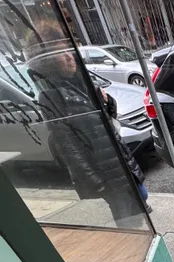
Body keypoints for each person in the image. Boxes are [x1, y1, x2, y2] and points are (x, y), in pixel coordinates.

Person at [26, 22, 150, 225]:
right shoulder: (51, 95)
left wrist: (108, 101)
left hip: (119, 161)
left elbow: (109, 117)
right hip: (104, 172)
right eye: (59, 53)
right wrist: (97, 183)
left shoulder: (83, 80)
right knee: (129, 222)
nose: (68, 57)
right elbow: (68, 146)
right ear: (47, 62)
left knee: (142, 200)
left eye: (68, 51)